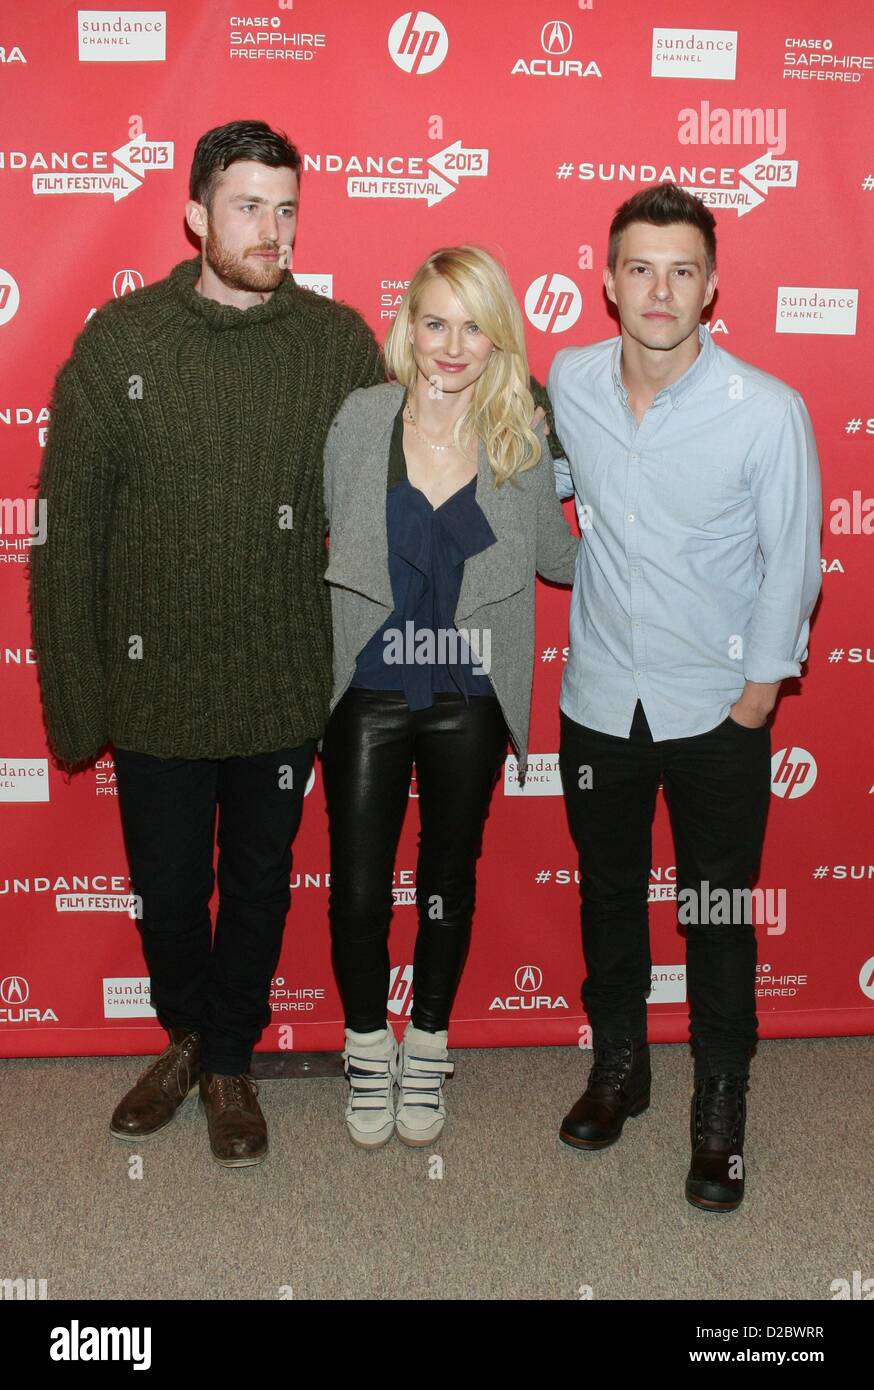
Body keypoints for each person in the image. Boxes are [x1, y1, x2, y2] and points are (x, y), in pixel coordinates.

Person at [29, 120, 385, 1168]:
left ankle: (229, 1057)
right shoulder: (120, 343)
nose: (269, 229)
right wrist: (76, 702)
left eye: (285, 208)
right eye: (246, 205)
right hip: (153, 689)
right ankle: (188, 1034)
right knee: (172, 890)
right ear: (195, 214)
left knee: (263, 884)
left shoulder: (335, 343)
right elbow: (69, 538)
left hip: (282, 682)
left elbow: (394, 483)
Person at [548, 183, 822, 1211]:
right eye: (638, 267)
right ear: (607, 278)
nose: (658, 289)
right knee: (609, 895)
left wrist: (754, 700)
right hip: (598, 700)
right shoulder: (569, 380)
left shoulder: (768, 410)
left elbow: (791, 564)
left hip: (716, 711)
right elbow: (558, 488)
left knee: (713, 913)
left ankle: (720, 1102)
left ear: (711, 284)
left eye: (681, 269)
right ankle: (621, 1066)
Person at [321, 245, 579, 1148]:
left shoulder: (522, 432)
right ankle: (365, 1042)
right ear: (410, 327)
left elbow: (555, 558)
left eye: (475, 324)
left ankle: (427, 1041)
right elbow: (326, 535)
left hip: (470, 684)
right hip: (370, 682)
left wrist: (651, 527)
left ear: (499, 335)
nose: (454, 344)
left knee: (446, 879)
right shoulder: (360, 420)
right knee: (357, 888)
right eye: (437, 321)